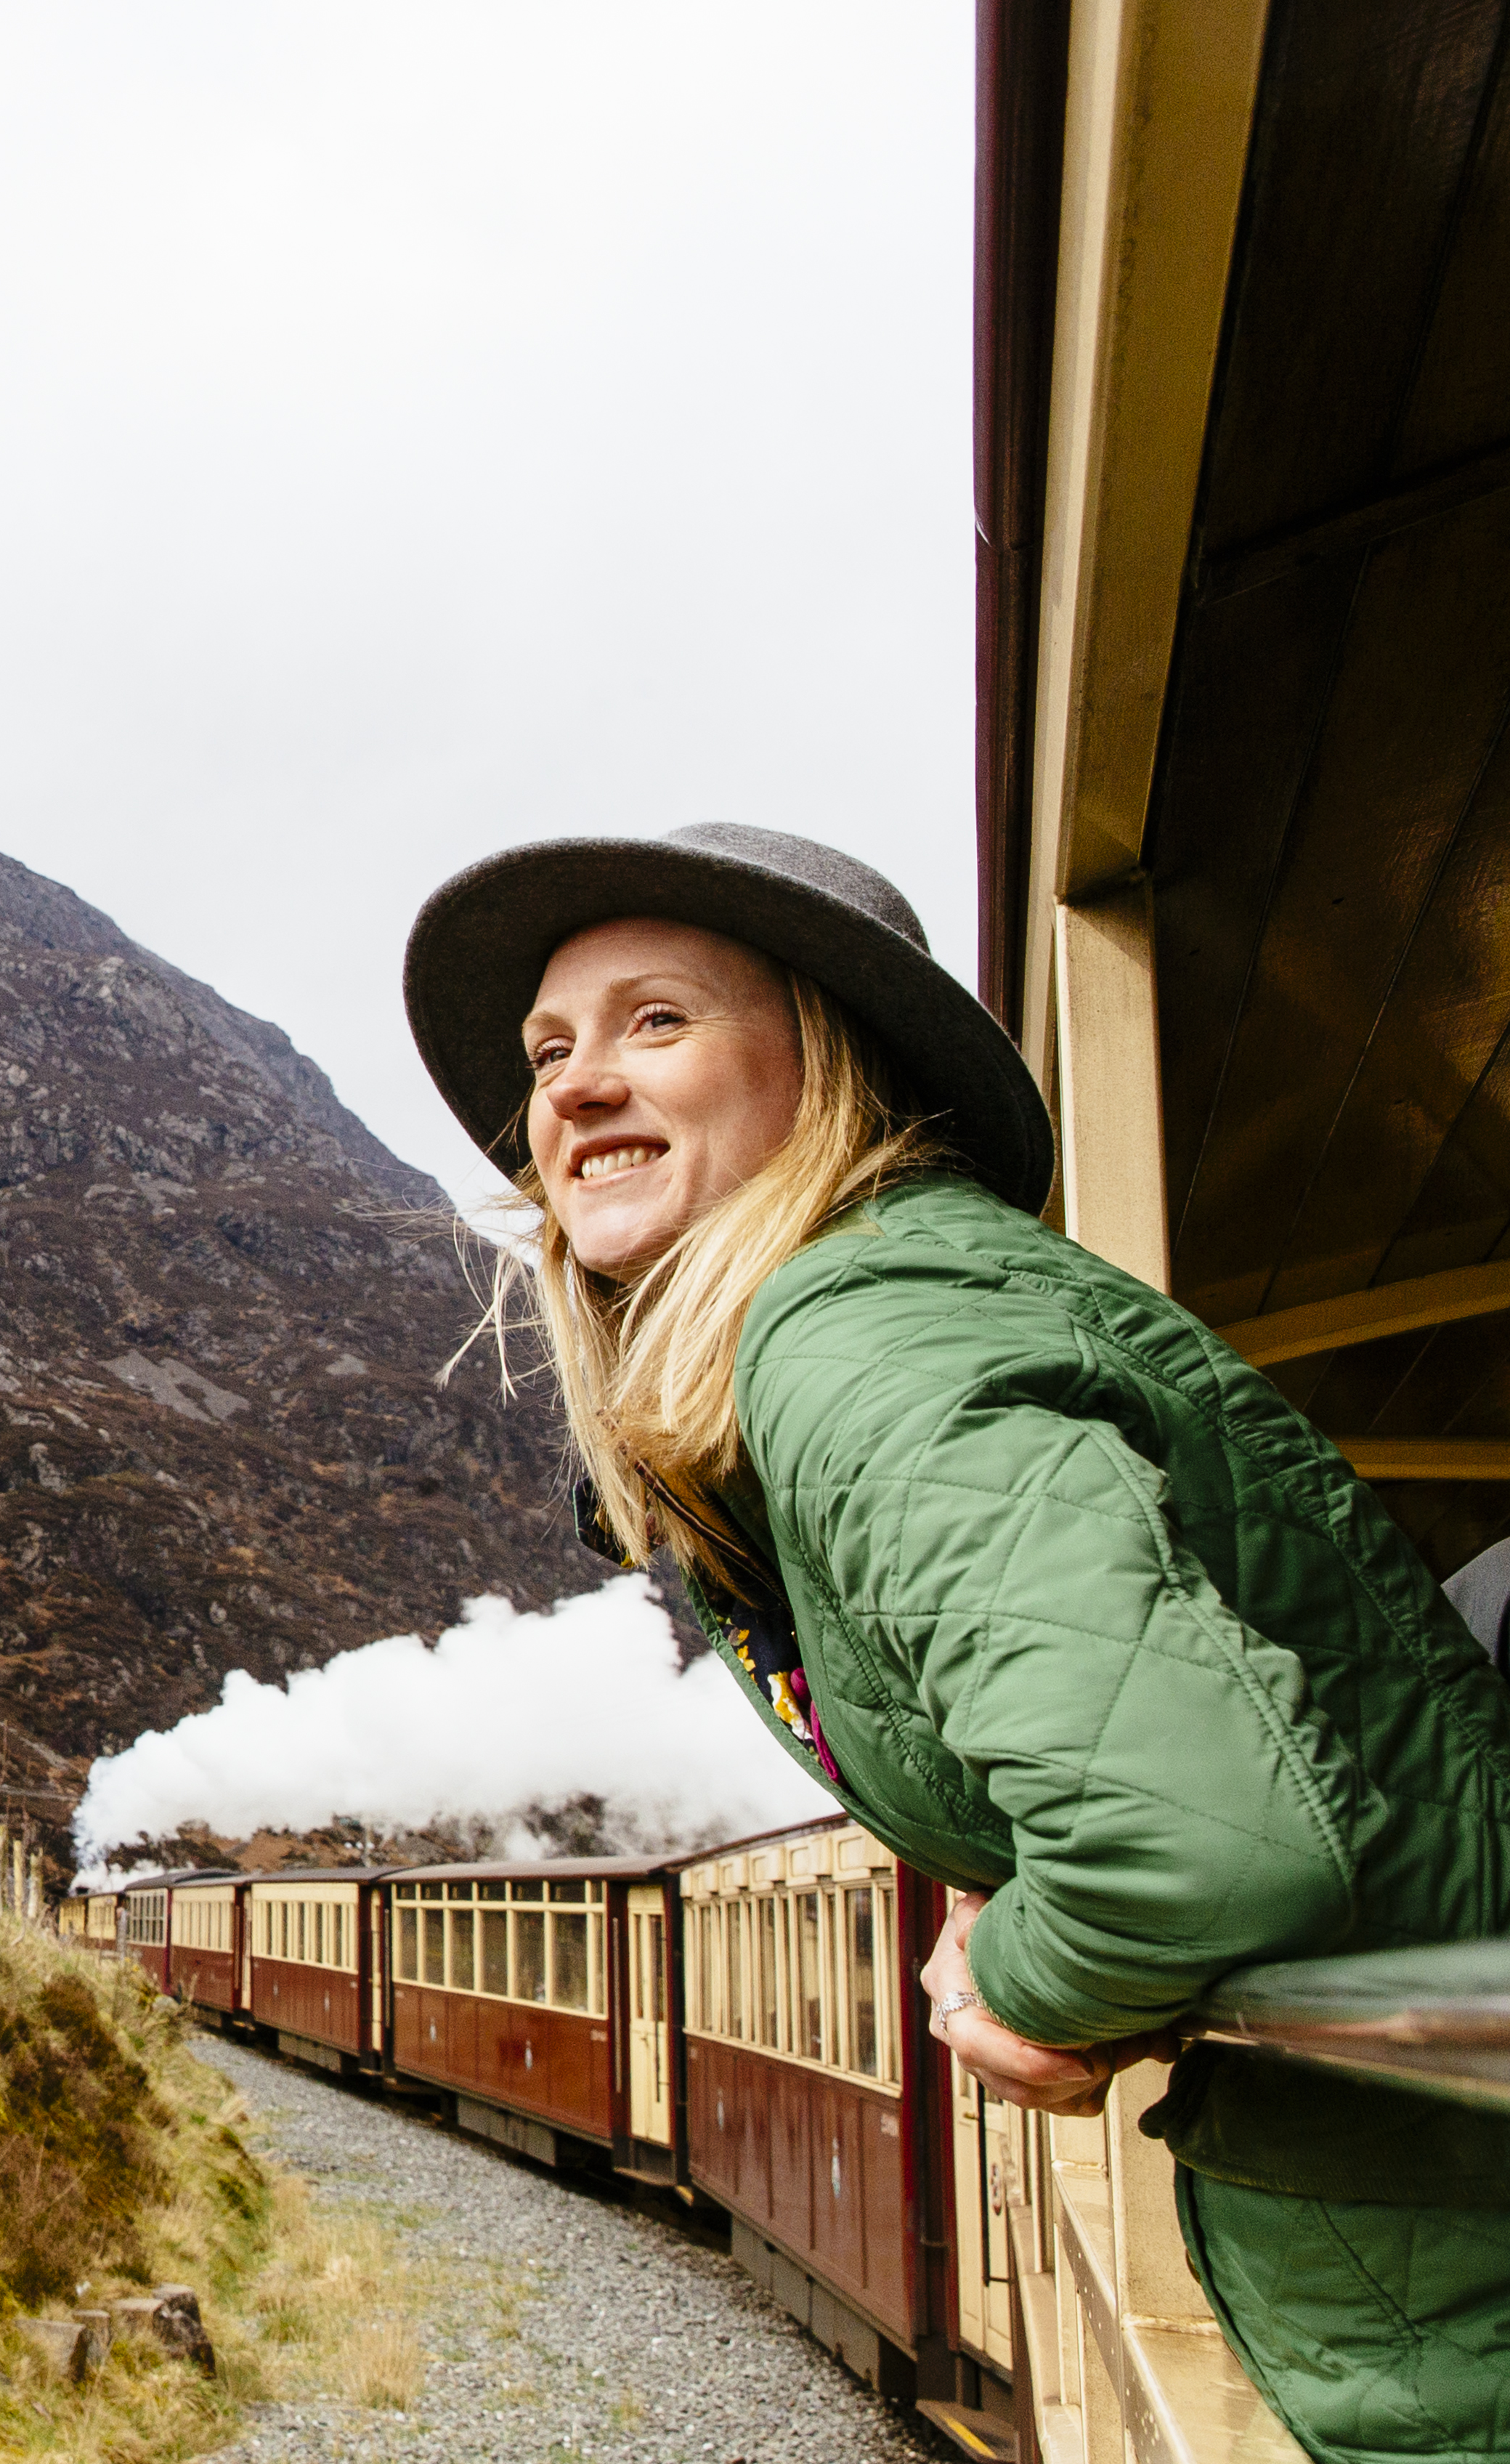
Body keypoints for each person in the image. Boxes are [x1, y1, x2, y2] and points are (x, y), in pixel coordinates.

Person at [402, 821, 1510, 2464]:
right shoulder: (880, 1318)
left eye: (658, 1022)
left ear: (830, 1064)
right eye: (548, 1053)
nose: (567, 1090)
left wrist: (1022, 1971)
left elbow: (1197, 1845)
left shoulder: (855, 1336)